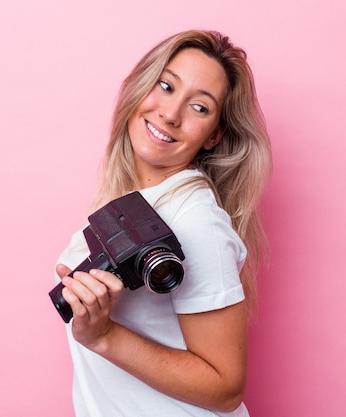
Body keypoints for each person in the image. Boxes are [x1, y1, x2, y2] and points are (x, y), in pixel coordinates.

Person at [54, 29, 272, 416]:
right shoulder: (131, 204)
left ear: (214, 135)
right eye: (166, 86)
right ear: (140, 86)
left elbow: (225, 388)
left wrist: (105, 336)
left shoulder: (195, 220)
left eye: (200, 108)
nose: (170, 114)